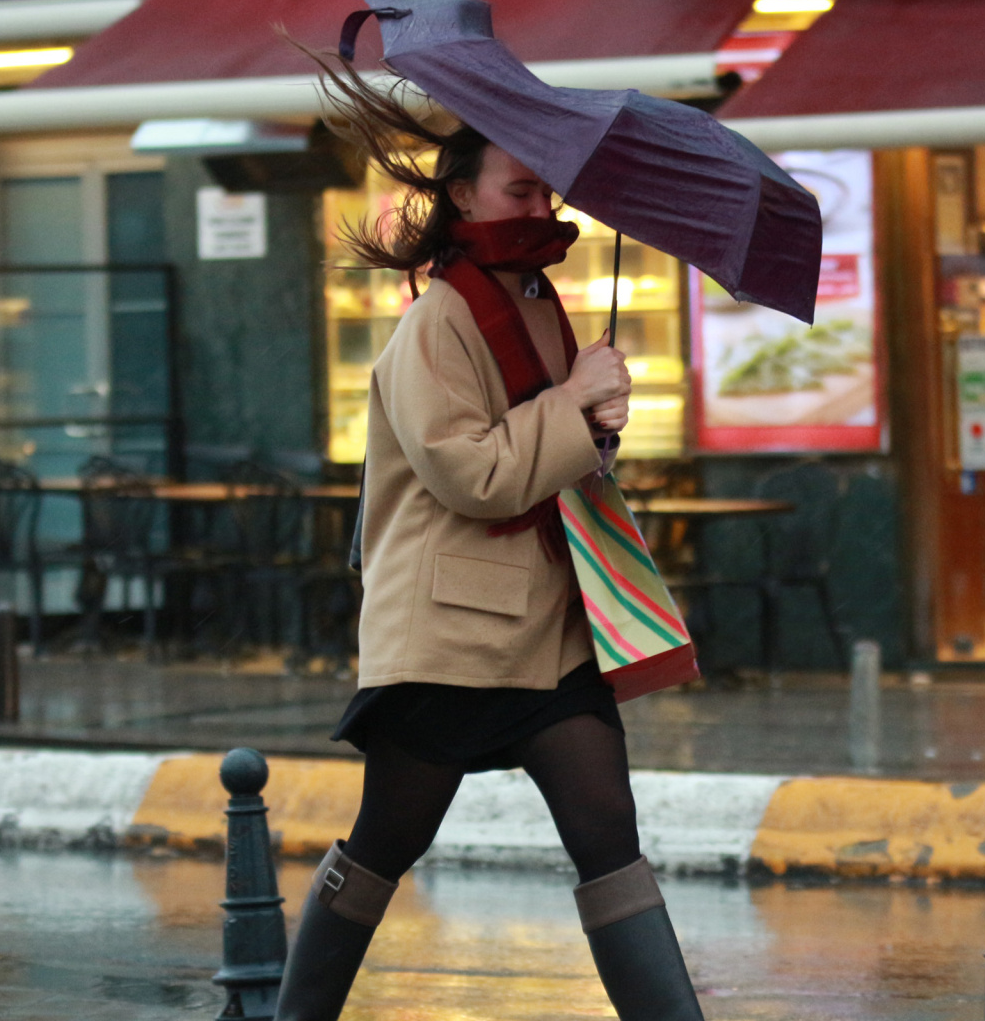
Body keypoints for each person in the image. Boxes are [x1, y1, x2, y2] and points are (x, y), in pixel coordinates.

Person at [270, 55, 704, 1021]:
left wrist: (593, 420)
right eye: (521, 183)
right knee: (386, 840)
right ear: (462, 192)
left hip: (550, 632)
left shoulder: (537, 300)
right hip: (453, 642)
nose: (539, 198)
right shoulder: (436, 320)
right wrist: (573, 408)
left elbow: (541, 448)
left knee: (609, 836)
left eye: (544, 184)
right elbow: (471, 473)